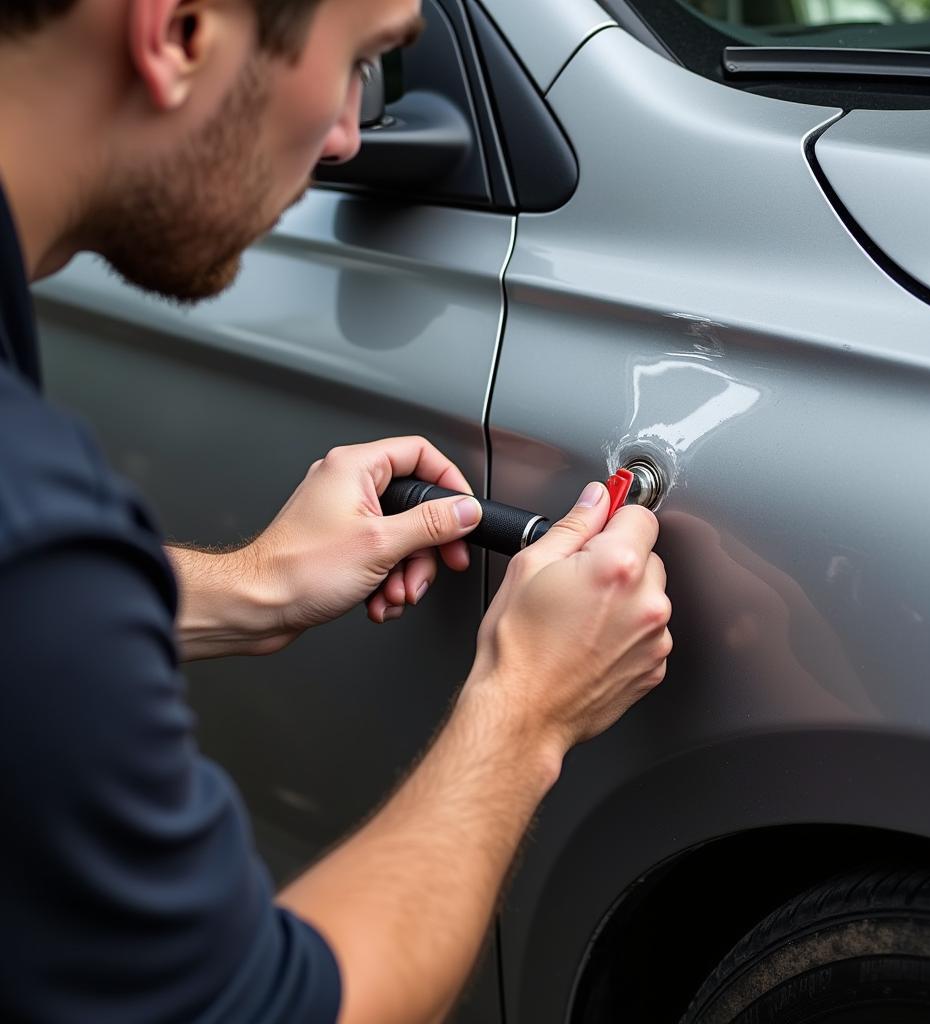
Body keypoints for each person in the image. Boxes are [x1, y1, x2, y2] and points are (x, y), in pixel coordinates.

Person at [0, 0, 673, 1021]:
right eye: (363, 63)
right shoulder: (35, 520)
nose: (353, 135)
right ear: (181, 29)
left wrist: (253, 585)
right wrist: (526, 706)